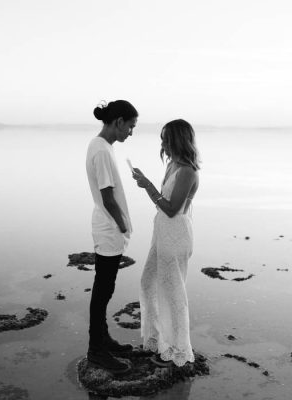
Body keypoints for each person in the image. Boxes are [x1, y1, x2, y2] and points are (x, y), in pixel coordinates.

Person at [131, 119, 200, 367]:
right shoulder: (172, 165)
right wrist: (149, 184)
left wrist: (147, 185)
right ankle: (160, 339)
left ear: (177, 140)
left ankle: (178, 348)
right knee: (149, 283)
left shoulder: (188, 171)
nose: (162, 143)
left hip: (175, 235)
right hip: (161, 233)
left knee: (172, 293)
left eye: (165, 138)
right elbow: (164, 202)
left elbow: (172, 209)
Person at [85, 100, 138, 374]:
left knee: (104, 289)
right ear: (118, 121)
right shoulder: (103, 151)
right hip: (108, 229)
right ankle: (96, 351)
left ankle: (103, 340)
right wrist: (123, 225)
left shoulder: (100, 146)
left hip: (105, 227)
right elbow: (107, 197)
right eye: (130, 126)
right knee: (103, 290)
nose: (130, 132)